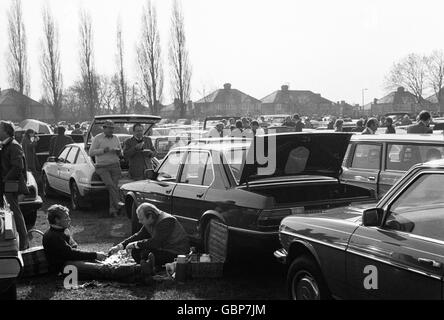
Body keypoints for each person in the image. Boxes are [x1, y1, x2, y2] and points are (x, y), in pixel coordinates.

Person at [42, 205, 153, 283]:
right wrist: (94, 255)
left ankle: (141, 275)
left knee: (106, 264)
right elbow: (70, 253)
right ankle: (140, 269)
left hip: (73, 259)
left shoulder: (63, 230)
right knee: (102, 269)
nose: (69, 219)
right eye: (66, 217)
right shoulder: (52, 236)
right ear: (57, 220)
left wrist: (90, 255)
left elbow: (74, 248)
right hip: (66, 267)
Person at [108, 203, 190, 268]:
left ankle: (149, 266)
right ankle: (148, 265)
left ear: (150, 216)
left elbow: (155, 243)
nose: (139, 221)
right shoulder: (151, 221)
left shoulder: (166, 221)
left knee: (145, 253)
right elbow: (139, 235)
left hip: (176, 252)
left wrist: (135, 244)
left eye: (141, 219)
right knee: (136, 252)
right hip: (163, 249)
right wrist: (120, 246)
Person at [0, 121, 29, 250]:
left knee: (15, 214)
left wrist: (5, 181)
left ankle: (23, 245)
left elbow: (18, 167)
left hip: (10, 186)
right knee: (8, 216)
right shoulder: (6, 145)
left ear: (6, 131)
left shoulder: (14, 145)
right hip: (6, 185)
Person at [89, 120, 122, 217]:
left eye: (113, 128)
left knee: (114, 187)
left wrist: (118, 151)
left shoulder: (116, 138)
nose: (112, 130)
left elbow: (121, 152)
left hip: (115, 165)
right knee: (110, 185)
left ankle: (113, 210)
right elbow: (90, 153)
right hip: (102, 167)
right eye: (109, 128)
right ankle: (118, 204)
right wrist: (103, 150)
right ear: (104, 128)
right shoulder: (97, 138)